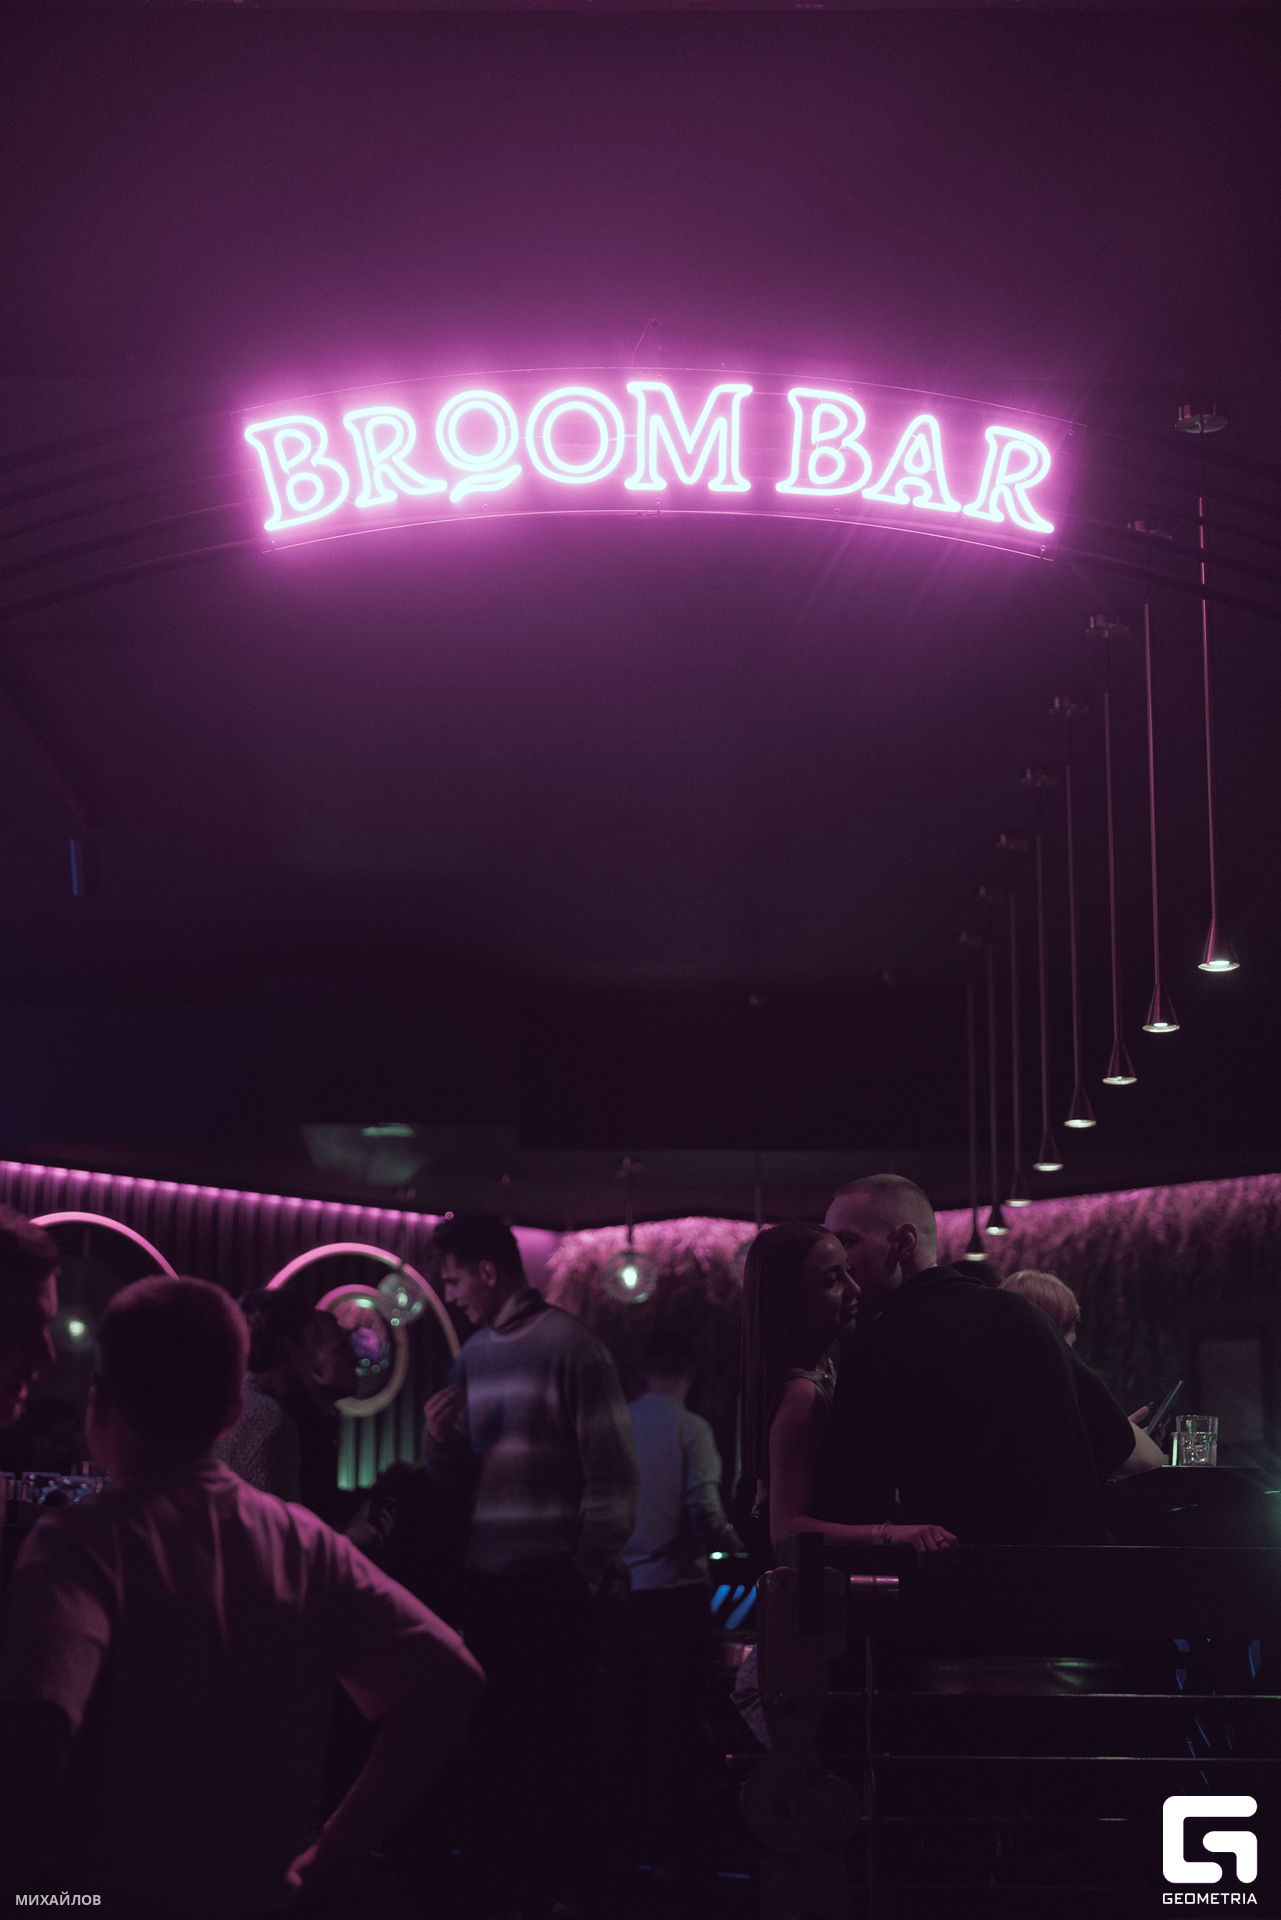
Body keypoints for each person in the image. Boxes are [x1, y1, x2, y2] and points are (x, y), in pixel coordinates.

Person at [0, 1275, 484, 1917]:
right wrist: (338, 1849)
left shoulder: (81, 1543)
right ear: (232, 1412)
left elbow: (35, 1731)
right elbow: (450, 1683)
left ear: (99, 1401)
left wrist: (31, 1895)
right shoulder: (305, 1546)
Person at [423, 1214, 640, 1917]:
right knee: (495, 1747)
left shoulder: (571, 1346)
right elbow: (455, 1480)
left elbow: (614, 1473)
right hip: (490, 1584)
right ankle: (504, 1889)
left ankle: (565, 1891)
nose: (449, 1295)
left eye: (453, 1279)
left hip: (551, 1582)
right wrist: (439, 1443)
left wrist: (585, 1568)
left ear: (488, 1271)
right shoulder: (474, 1354)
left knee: (558, 1747)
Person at [822, 1175, 1111, 1544]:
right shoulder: (1023, 1312)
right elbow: (1114, 1438)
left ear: (904, 1243)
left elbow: (854, 1505)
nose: (840, 1262)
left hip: (972, 1572)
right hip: (1082, 1569)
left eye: (847, 1242)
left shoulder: (878, 1347)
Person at [599, 1332, 742, 1884]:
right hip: (677, 1591)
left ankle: (615, 1846)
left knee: (619, 1723)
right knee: (671, 1726)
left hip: (620, 1592)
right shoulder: (691, 1428)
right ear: (690, 1375)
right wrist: (733, 1544)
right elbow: (703, 1507)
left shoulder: (617, 1423)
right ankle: (667, 1853)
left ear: (644, 1372)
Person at [741, 1221, 957, 1561]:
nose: (854, 1288)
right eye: (832, 1280)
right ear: (788, 1301)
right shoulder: (802, 1395)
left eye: (849, 1271)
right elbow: (785, 1529)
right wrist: (888, 1533)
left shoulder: (824, 1372)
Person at [1000, 1268, 1166, 1483]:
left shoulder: (997, 1390)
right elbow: (1154, 1462)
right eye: (1071, 1325)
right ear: (1052, 1326)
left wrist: (1115, 1440)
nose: (1075, 1338)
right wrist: (1125, 1433)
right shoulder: (1063, 1390)